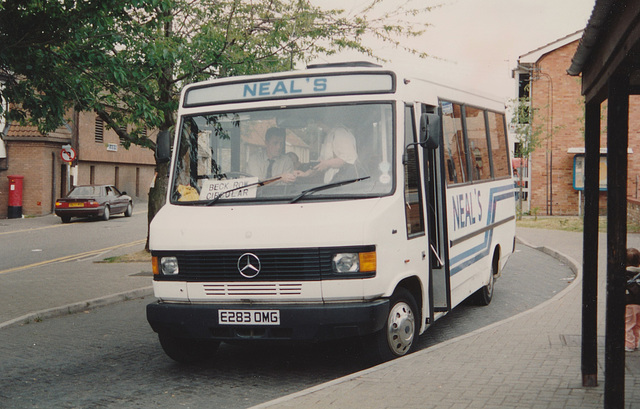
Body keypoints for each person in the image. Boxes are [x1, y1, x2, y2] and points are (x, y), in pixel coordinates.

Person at [294, 119, 358, 183]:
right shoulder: (330, 135)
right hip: (332, 184)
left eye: (319, 122)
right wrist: (305, 174)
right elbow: (320, 164)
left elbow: (347, 160)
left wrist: (327, 163)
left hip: (343, 183)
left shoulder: (340, 133)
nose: (318, 124)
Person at [625, 248, 640, 352]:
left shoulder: (625, 274)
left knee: (628, 324)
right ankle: (635, 342)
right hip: (639, 304)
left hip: (628, 304)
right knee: (636, 325)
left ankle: (629, 344)